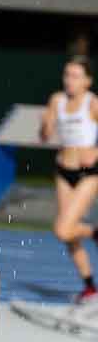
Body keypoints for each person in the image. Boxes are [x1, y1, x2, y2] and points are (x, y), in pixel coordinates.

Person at [39, 56, 98, 302]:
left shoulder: (93, 103)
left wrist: (96, 151)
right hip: (64, 170)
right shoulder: (57, 100)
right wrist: (46, 123)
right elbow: (45, 136)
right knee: (69, 233)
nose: (69, 80)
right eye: (66, 75)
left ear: (87, 81)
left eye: (75, 76)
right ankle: (90, 287)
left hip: (88, 174)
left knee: (63, 229)